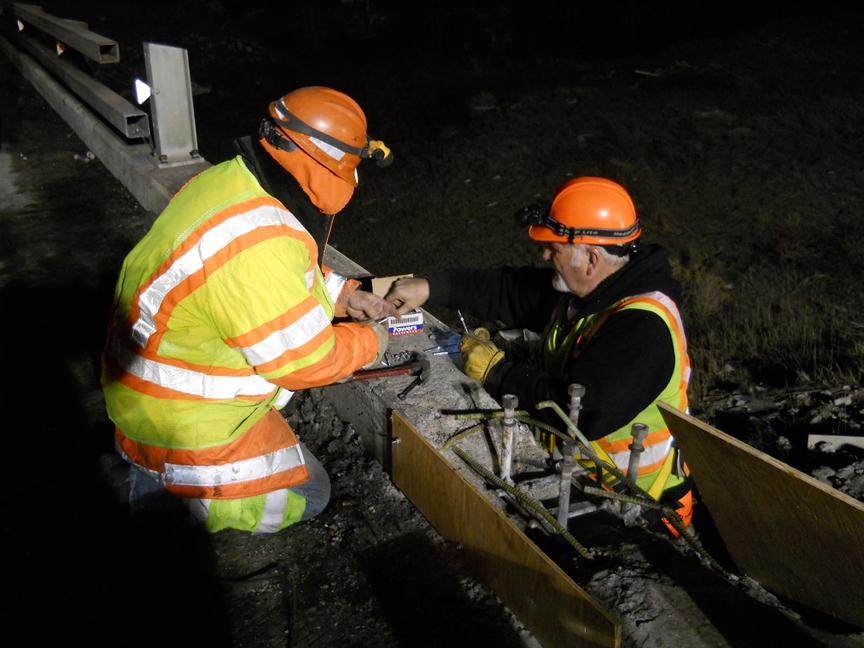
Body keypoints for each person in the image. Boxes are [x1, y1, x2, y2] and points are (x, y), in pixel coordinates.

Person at [101, 86, 398, 533]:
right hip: (181, 420)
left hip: (144, 394)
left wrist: (344, 295)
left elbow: (286, 276)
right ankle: (157, 493)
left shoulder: (236, 182)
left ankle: (150, 467)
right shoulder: (260, 246)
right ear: (331, 164)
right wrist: (372, 342)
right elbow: (304, 361)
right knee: (312, 494)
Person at [385, 176, 693, 532]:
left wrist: (498, 373)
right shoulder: (590, 289)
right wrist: (430, 287)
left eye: (555, 249)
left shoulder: (642, 327)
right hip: (580, 474)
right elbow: (509, 290)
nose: (545, 255)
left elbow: (581, 412)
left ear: (591, 258)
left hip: (639, 508)